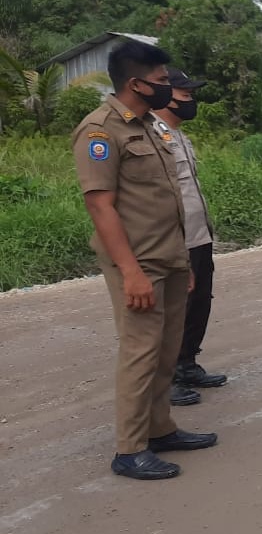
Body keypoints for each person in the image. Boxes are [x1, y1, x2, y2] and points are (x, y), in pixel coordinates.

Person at [71, 41, 217, 480]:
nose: (166, 87)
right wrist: (131, 271)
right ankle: (130, 449)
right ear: (135, 83)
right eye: (160, 80)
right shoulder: (100, 131)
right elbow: (100, 206)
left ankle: (160, 428)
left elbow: (167, 198)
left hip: (169, 256)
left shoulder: (151, 127)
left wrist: (183, 261)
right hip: (138, 262)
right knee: (141, 351)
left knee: (167, 349)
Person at [152, 67, 228, 405]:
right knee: (173, 309)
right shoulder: (152, 135)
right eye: (185, 94)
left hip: (198, 234)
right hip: (175, 238)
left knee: (198, 303)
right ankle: (164, 379)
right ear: (166, 96)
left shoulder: (179, 135)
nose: (191, 100)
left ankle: (186, 364)